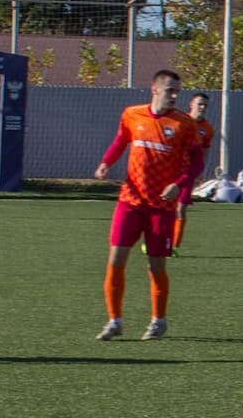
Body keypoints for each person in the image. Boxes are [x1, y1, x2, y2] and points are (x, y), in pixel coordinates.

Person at [93, 70, 205, 341]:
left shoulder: (184, 124)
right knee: (116, 259)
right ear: (155, 89)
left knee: (155, 266)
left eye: (178, 91)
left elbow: (198, 162)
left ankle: (158, 320)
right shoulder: (133, 114)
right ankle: (114, 320)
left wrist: (179, 183)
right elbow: (121, 141)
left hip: (161, 207)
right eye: (170, 90)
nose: (175, 96)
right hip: (129, 202)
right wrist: (107, 162)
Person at [171, 93, 217, 251]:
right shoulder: (179, 121)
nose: (203, 108)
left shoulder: (207, 129)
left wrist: (200, 169)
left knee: (180, 209)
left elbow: (205, 151)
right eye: (200, 104)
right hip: (171, 170)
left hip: (188, 174)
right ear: (191, 104)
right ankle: (156, 240)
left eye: (205, 105)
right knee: (163, 207)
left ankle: (174, 247)